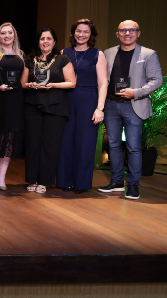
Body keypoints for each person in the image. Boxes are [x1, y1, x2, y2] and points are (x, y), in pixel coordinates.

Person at [99, 20, 163, 200]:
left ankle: (133, 185)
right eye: (123, 30)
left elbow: (156, 80)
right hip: (111, 105)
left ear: (138, 33)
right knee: (113, 145)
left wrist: (135, 92)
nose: (128, 33)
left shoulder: (148, 54)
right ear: (117, 33)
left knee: (134, 147)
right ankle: (117, 181)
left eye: (132, 30)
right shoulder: (108, 53)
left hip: (134, 105)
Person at [21, 28, 76, 194]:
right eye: (42, 38)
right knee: (32, 144)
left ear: (54, 41)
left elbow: (72, 83)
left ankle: (44, 181)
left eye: (49, 38)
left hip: (56, 106)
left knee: (50, 145)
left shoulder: (62, 59)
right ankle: (32, 179)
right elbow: (23, 84)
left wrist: (53, 85)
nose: (45, 41)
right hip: (33, 105)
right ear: (38, 41)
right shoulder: (30, 60)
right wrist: (30, 85)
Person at [57, 19, 107, 194]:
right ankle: (64, 181)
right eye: (78, 31)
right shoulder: (64, 52)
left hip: (89, 99)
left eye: (86, 32)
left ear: (91, 35)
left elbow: (102, 83)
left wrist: (100, 107)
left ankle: (82, 183)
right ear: (73, 33)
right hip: (66, 98)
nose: (81, 34)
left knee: (85, 143)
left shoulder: (97, 54)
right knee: (65, 141)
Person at [0, 23, 26, 191]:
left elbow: (23, 80)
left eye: (10, 32)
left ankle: (2, 177)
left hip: (15, 100)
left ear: (14, 35)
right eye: (3, 33)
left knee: (9, 139)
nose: (7, 35)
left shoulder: (21, 55)